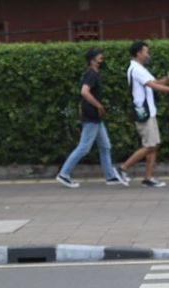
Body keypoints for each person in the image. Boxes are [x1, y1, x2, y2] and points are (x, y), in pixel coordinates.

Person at [55, 47, 127, 188]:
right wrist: (99, 106)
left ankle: (110, 177)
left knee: (105, 146)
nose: (102, 59)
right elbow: (84, 92)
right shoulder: (91, 74)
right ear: (92, 60)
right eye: (100, 57)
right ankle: (64, 174)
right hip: (91, 116)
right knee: (84, 147)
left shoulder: (91, 73)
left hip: (94, 117)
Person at [118, 41, 169, 188]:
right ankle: (123, 168)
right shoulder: (136, 69)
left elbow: (156, 82)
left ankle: (147, 178)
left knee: (153, 146)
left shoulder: (140, 68)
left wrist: (168, 78)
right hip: (144, 113)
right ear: (139, 53)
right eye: (145, 52)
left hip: (148, 112)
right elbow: (153, 86)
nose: (148, 54)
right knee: (149, 146)